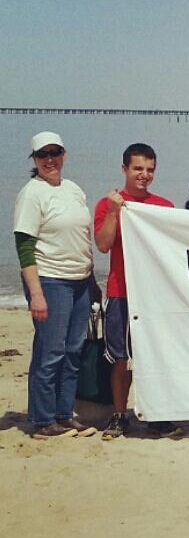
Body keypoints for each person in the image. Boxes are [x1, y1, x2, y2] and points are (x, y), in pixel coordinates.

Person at [13, 131, 96, 438]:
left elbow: (81, 239)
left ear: (64, 154)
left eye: (55, 153)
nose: (50, 160)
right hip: (50, 280)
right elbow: (24, 246)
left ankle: (65, 413)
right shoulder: (32, 193)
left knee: (74, 350)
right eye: (43, 155)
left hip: (80, 281)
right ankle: (42, 419)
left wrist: (92, 280)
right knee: (50, 352)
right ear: (35, 160)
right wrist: (36, 293)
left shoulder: (73, 189)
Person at [94, 143, 176, 440]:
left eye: (150, 170)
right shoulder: (109, 203)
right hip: (121, 292)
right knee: (120, 357)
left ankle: (154, 413)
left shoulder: (164, 206)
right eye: (138, 168)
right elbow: (103, 245)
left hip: (155, 295)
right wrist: (115, 212)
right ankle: (119, 414)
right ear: (125, 169)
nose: (144, 175)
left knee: (154, 355)